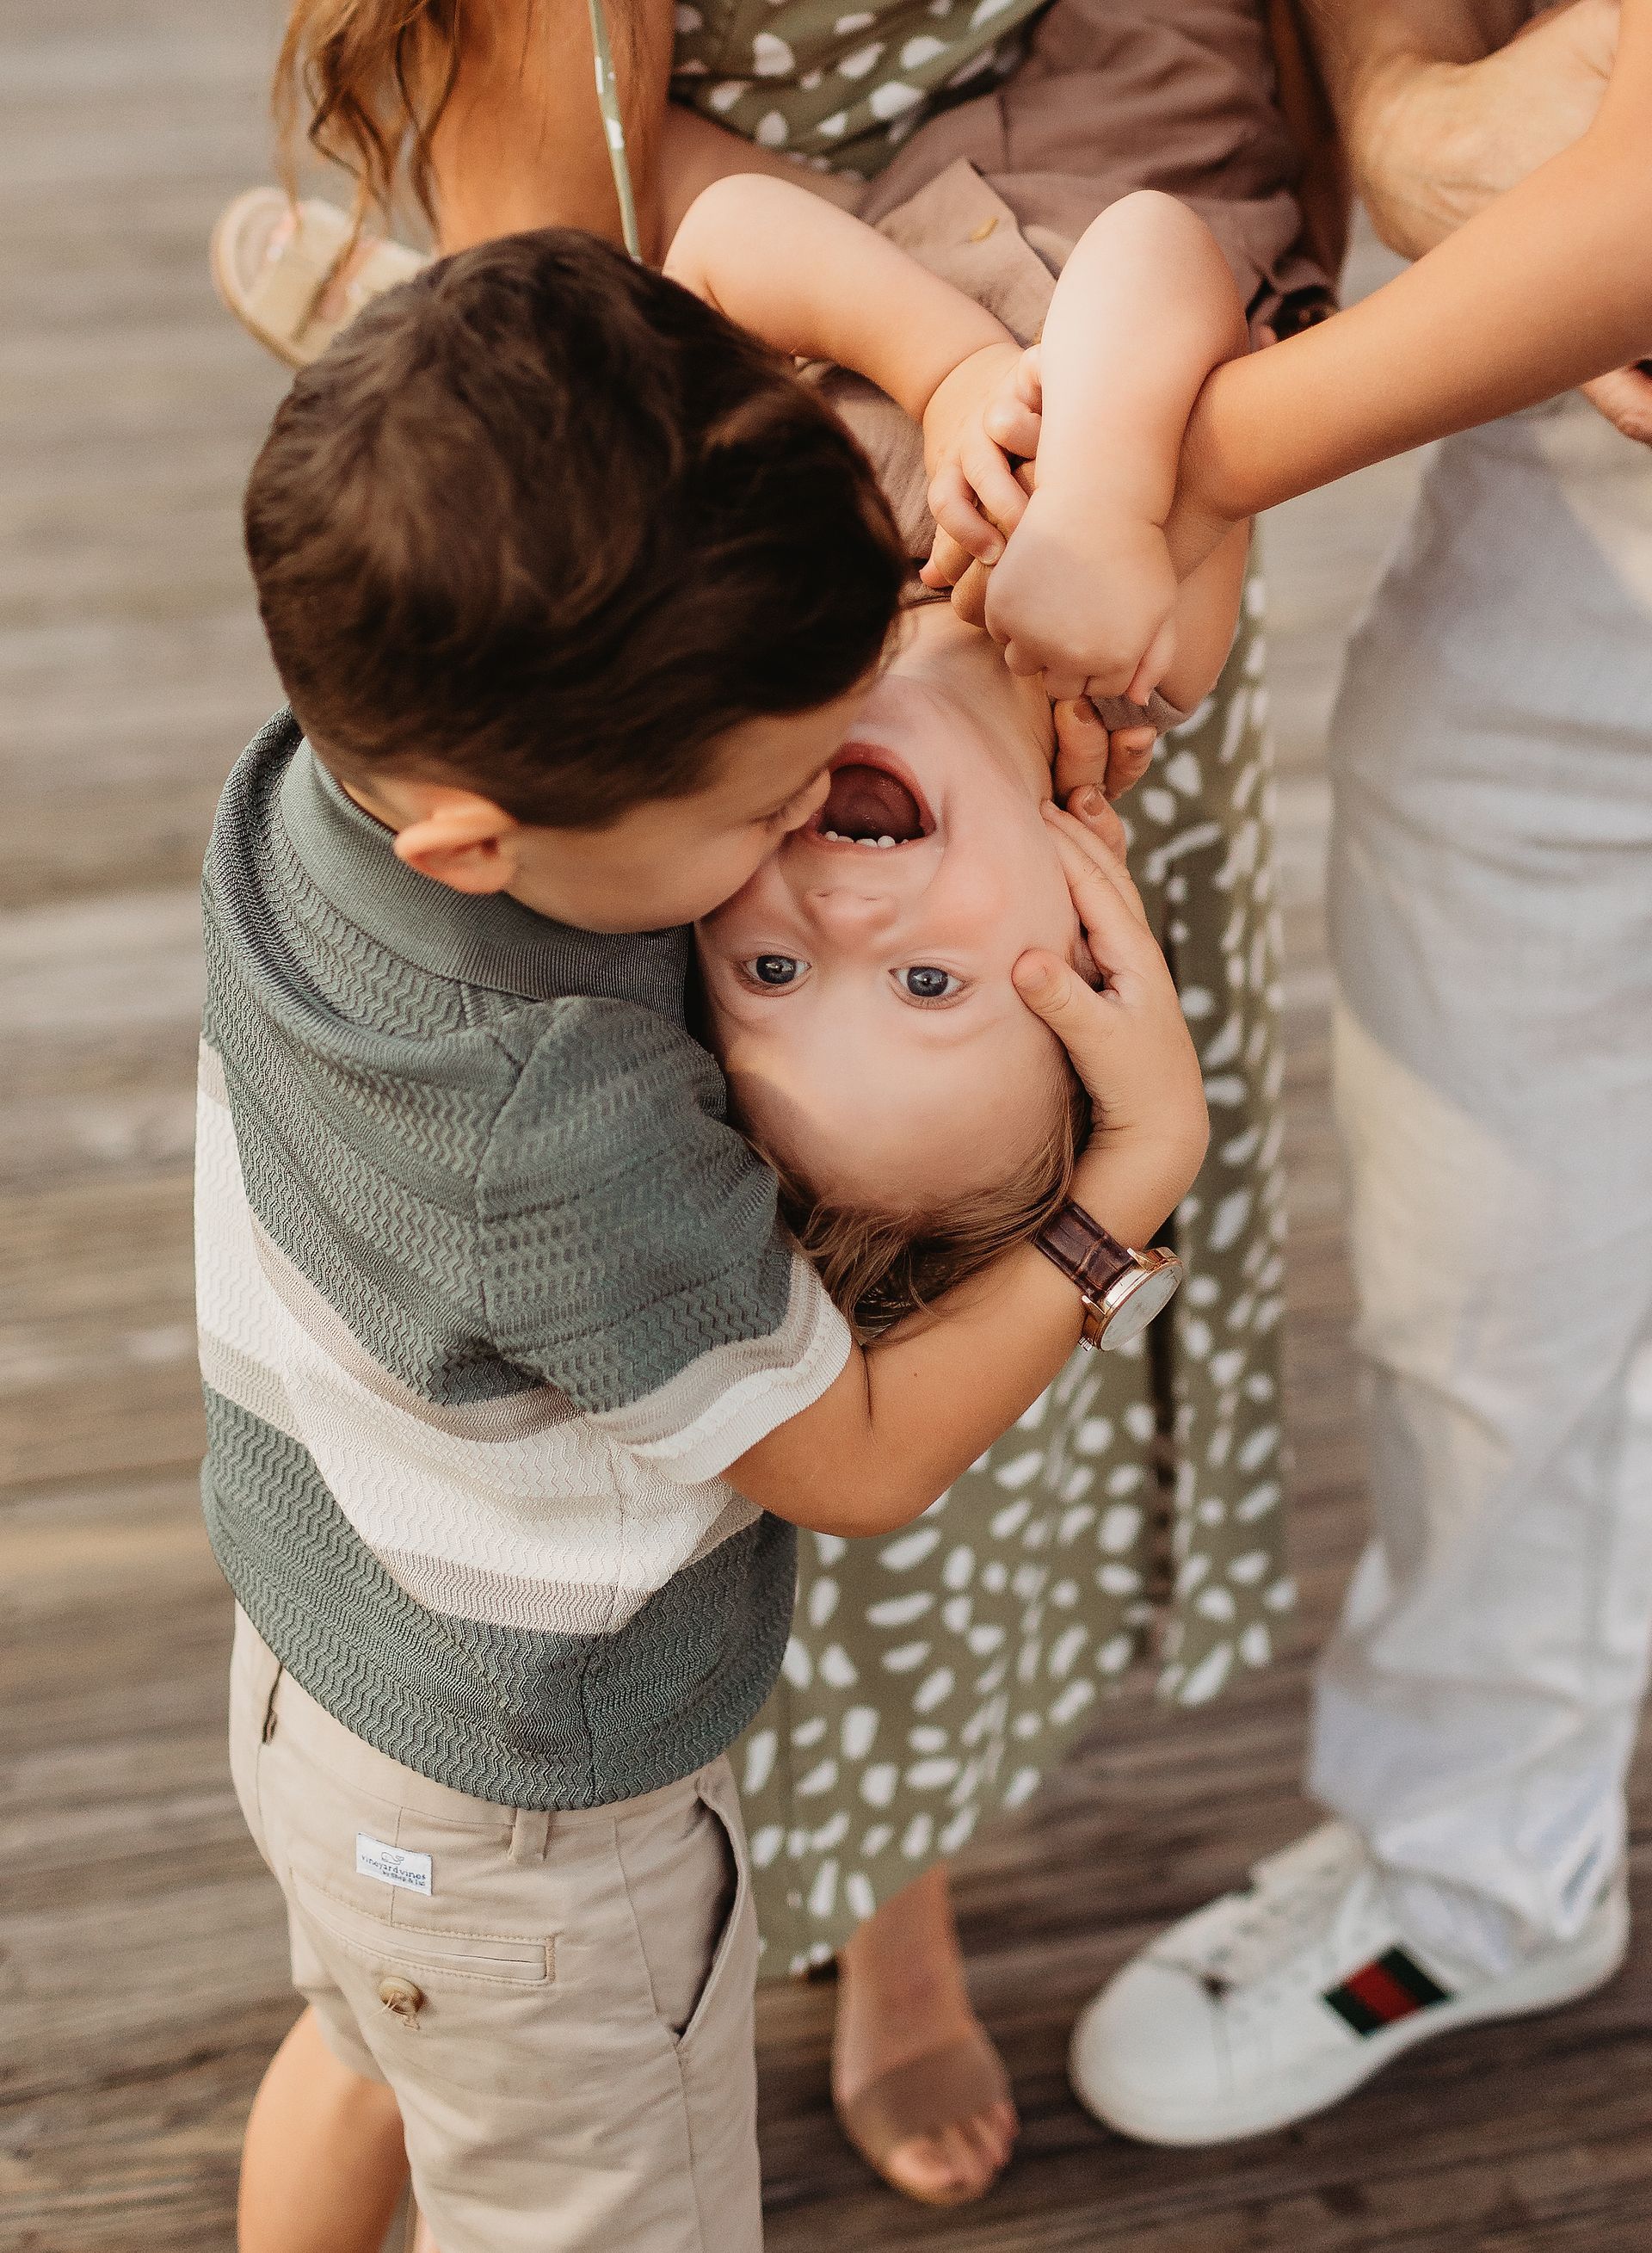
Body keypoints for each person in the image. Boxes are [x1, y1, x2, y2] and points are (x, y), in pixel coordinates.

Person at [213, 0, 1334, 2208]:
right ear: (484, 826)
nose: (804, 836)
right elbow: (857, 1461)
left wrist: (933, 389)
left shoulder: (319, 789)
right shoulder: (576, 1125)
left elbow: (678, 254)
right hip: (542, 1820)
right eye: (750, 813)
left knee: (353, 2055)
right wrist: (1133, 1179)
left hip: (325, 1679)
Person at [1069, 0, 1652, 2144]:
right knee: (1478, 1270)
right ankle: (1488, 1861)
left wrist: (1159, 461)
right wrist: (1413, 106)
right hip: (1580, 533)